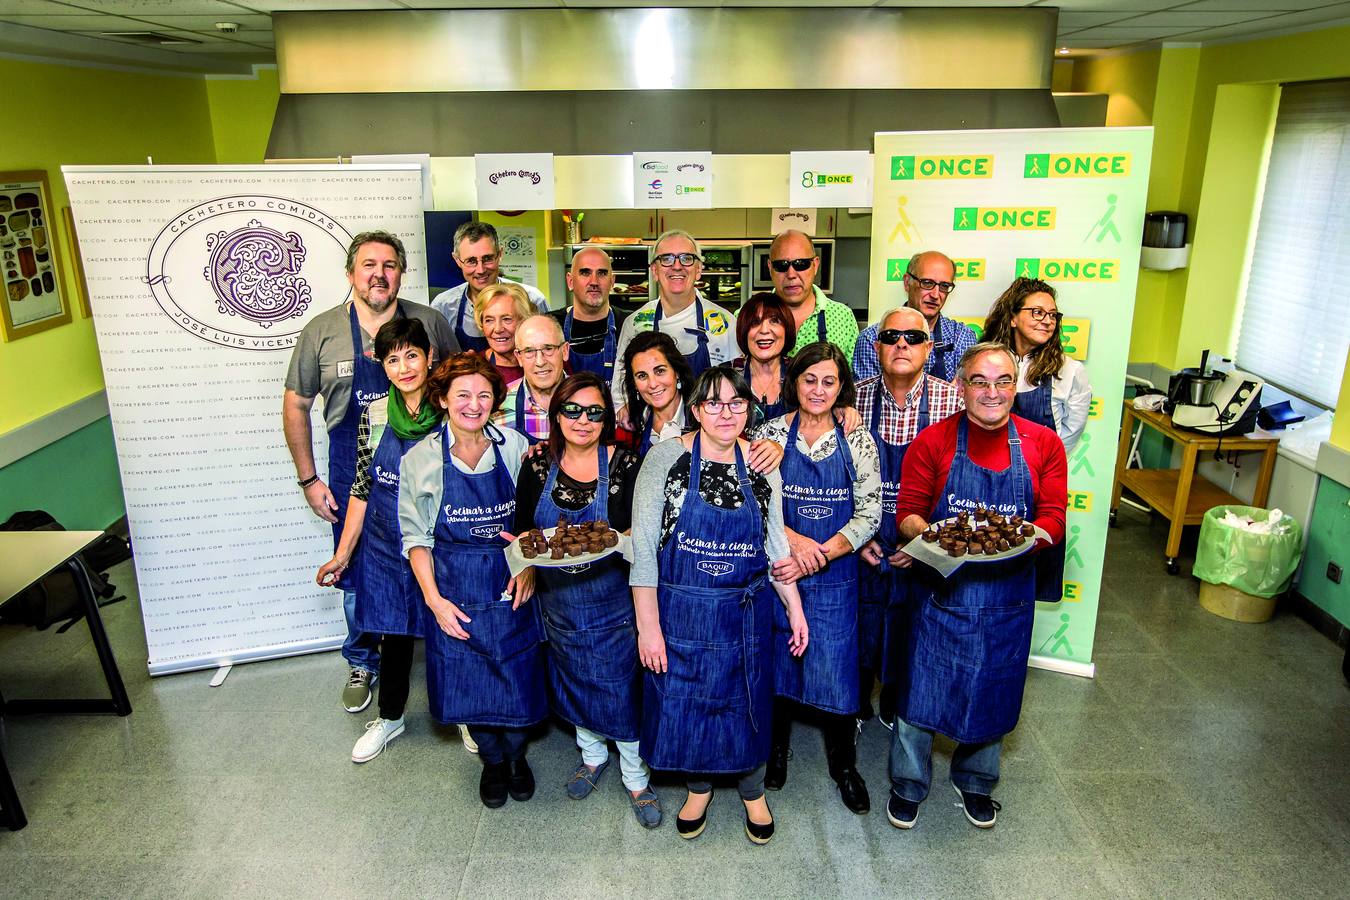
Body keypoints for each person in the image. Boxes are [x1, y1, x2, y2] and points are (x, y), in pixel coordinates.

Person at [886, 343, 1067, 831]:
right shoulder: (934, 440)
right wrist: (938, 538)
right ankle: (908, 783)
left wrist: (1018, 541)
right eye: (980, 381)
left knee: (996, 686)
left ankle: (977, 782)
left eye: (1003, 380)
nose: (992, 392)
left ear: (1017, 385)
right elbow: (907, 513)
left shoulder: (1043, 444)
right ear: (962, 387)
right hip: (941, 594)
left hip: (1008, 595)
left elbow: (1052, 515)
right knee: (920, 690)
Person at [631, 366, 809, 846]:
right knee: (688, 705)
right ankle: (699, 789)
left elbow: (774, 543)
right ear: (695, 410)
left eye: (736, 402)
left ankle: (753, 793)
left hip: (744, 613)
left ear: (749, 408)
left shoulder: (761, 463)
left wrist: (793, 606)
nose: (726, 412)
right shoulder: (664, 460)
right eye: (713, 403)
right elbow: (644, 550)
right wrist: (649, 629)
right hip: (681, 612)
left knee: (746, 704)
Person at [283, 230, 457, 714]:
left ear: (402, 272)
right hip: (355, 465)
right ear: (351, 274)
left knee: (439, 565)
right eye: (368, 265)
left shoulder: (430, 321)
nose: (379, 274)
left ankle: (447, 664)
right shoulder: (321, 330)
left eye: (389, 265)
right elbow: (296, 404)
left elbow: (463, 381)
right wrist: (309, 478)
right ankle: (362, 660)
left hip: (430, 472)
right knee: (359, 574)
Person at [512, 372, 661, 828]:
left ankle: (636, 777)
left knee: (621, 690)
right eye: (571, 410)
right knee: (573, 681)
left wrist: (619, 539)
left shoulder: (628, 465)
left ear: (607, 417)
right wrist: (523, 563)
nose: (582, 420)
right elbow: (525, 530)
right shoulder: (537, 464)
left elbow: (648, 529)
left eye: (594, 412)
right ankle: (593, 757)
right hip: (560, 605)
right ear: (556, 415)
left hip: (614, 604)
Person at [399, 353, 546, 809]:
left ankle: (518, 757)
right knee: (470, 682)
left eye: (484, 394)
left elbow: (535, 522)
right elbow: (416, 538)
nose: (474, 403)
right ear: (442, 399)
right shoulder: (419, 459)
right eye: (462, 394)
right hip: (454, 586)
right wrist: (435, 601)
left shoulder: (515, 447)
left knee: (518, 677)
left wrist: (530, 567)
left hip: (509, 580)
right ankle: (494, 762)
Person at [755, 342, 881, 814]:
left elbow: (870, 513)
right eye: (810, 379)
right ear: (795, 382)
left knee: (838, 671)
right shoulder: (769, 434)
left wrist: (820, 554)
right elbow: (757, 503)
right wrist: (794, 543)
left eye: (829, 381)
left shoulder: (858, 439)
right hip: (779, 568)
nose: (818, 390)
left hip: (835, 577)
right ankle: (776, 752)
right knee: (780, 666)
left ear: (841, 386)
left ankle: (844, 764)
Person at [316, 319, 441, 763]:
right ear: (381, 365)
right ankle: (390, 717)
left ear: (429, 356)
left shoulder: (450, 406)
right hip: (387, 540)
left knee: (450, 629)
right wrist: (342, 554)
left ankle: (466, 714)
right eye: (393, 359)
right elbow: (363, 486)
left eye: (412, 355)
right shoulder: (375, 414)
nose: (404, 367)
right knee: (394, 630)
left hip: (440, 538)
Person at [854, 308, 963, 732]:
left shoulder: (953, 401)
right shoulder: (853, 399)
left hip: (925, 541)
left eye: (914, 338)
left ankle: (899, 702)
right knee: (863, 624)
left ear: (929, 347)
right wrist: (857, 538)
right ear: (877, 345)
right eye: (892, 336)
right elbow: (840, 479)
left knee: (913, 627)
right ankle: (858, 700)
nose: (902, 344)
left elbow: (960, 484)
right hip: (866, 538)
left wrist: (921, 545)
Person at [982, 277, 1092, 603]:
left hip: (1035, 488)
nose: (1047, 320)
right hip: (984, 479)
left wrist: (1034, 468)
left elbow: (1068, 434)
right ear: (1013, 316)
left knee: (1025, 578)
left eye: (1053, 315)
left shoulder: (1068, 371)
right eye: (1037, 312)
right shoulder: (985, 361)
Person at [611, 230, 738, 417]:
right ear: (654, 270)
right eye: (667, 259)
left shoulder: (724, 322)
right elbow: (621, 386)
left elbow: (738, 385)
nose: (677, 266)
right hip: (653, 430)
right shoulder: (636, 323)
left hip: (711, 433)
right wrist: (624, 412)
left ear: (699, 269)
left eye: (686, 258)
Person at [853, 251, 976, 383]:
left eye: (944, 286)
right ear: (907, 283)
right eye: (927, 283)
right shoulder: (873, 338)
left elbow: (965, 397)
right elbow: (868, 397)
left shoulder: (961, 336)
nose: (935, 295)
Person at [432, 221, 548, 352]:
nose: (480, 270)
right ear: (457, 260)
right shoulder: (443, 307)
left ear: (500, 255)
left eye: (487, 258)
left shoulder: (532, 300)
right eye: (471, 261)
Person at [768, 229, 859, 363]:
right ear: (770, 267)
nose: (791, 274)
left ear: (815, 265)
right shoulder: (747, 318)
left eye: (801, 264)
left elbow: (853, 381)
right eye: (782, 265)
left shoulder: (843, 317)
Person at [553, 246, 628, 384]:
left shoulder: (629, 324)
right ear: (570, 281)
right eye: (585, 273)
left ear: (612, 281)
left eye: (602, 273)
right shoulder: (550, 325)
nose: (594, 282)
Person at [495, 315, 570, 445]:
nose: (540, 362)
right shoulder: (499, 406)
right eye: (529, 351)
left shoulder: (589, 400)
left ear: (565, 351)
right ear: (519, 357)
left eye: (548, 348)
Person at [616, 331, 695, 454]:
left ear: (677, 372)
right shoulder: (628, 429)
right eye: (642, 375)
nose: (652, 384)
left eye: (660, 371)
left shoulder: (703, 420)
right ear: (635, 384)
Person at [733, 292, 797, 425]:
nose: (764, 330)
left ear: (786, 329)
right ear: (744, 331)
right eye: (755, 322)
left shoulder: (801, 373)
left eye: (774, 321)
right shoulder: (726, 375)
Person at [475, 282, 535, 386]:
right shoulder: (473, 367)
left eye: (507, 319)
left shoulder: (546, 362)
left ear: (524, 321)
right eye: (489, 320)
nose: (498, 329)